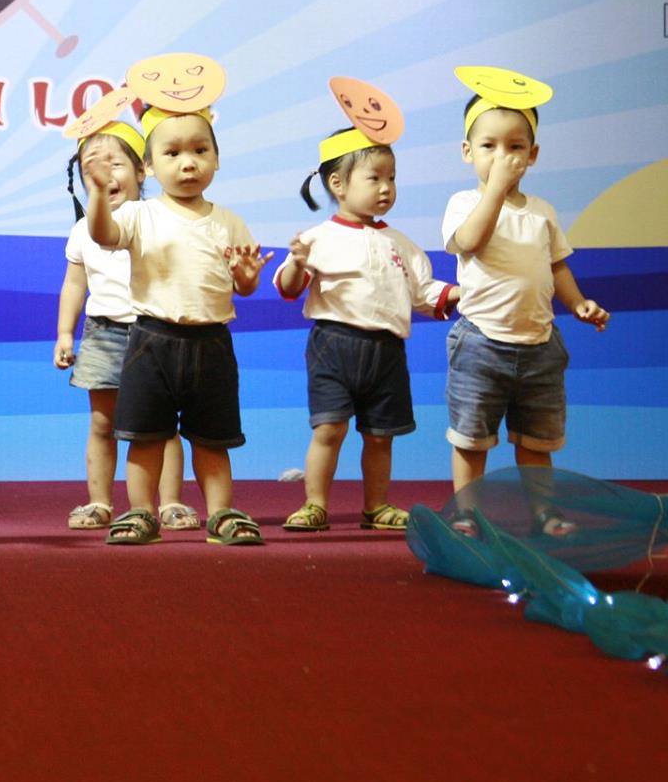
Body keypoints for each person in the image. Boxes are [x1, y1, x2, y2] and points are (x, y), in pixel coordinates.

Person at [85, 104, 272, 546]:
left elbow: (244, 286)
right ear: (149, 166)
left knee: (212, 440)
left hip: (212, 343)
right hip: (152, 341)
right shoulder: (139, 214)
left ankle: (221, 514)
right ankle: (141, 513)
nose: (188, 163)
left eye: (200, 151)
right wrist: (98, 194)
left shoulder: (229, 221)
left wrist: (247, 277)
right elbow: (102, 235)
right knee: (146, 438)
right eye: (172, 154)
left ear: (216, 158)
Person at [442, 75, 610, 533]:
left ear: (532, 155)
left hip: (539, 344)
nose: (502, 157)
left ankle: (544, 512)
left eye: (515, 147)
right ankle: (466, 512)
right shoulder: (464, 203)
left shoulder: (542, 211)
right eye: (489, 146)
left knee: (537, 441)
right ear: (467, 152)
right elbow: (469, 242)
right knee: (472, 438)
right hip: (480, 343)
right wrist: (495, 191)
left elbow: (557, 266)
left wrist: (579, 302)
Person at [274, 127, 452, 533]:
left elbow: (425, 292)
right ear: (338, 184)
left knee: (380, 436)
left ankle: (377, 506)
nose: (386, 187)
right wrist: (298, 262)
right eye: (375, 178)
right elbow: (288, 288)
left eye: (392, 178)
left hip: (387, 351)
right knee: (330, 428)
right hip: (334, 346)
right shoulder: (317, 238)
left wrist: (461, 292)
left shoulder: (401, 243)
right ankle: (315, 505)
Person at [56, 121, 195, 531]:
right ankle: (99, 502)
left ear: (142, 170)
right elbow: (74, 284)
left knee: (162, 426)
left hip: (156, 333)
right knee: (103, 423)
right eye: (92, 167)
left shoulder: (160, 218)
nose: (105, 173)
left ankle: (170, 503)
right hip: (104, 335)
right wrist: (64, 334)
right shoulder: (82, 229)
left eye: (115, 163)